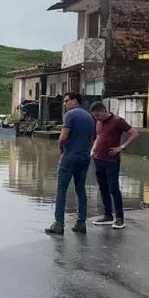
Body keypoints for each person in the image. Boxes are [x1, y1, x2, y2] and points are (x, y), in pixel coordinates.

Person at [45, 92, 96, 235]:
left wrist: (61, 148)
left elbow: (63, 137)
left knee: (61, 189)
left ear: (75, 101)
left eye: (66, 101)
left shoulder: (70, 115)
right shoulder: (89, 117)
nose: (64, 104)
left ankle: (59, 224)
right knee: (81, 189)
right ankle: (81, 223)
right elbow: (92, 140)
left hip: (69, 157)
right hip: (84, 157)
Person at [88, 101, 140, 229]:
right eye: (94, 116)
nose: (96, 118)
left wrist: (122, 147)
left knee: (114, 188)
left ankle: (119, 218)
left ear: (104, 111)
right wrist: (93, 149)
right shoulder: (98, 122)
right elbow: (98, 137)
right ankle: (107, 215)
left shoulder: (118, 121)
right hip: (98, 159)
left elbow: (135, 133)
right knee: (103, 188)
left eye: (97, 115)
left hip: (111, 160)